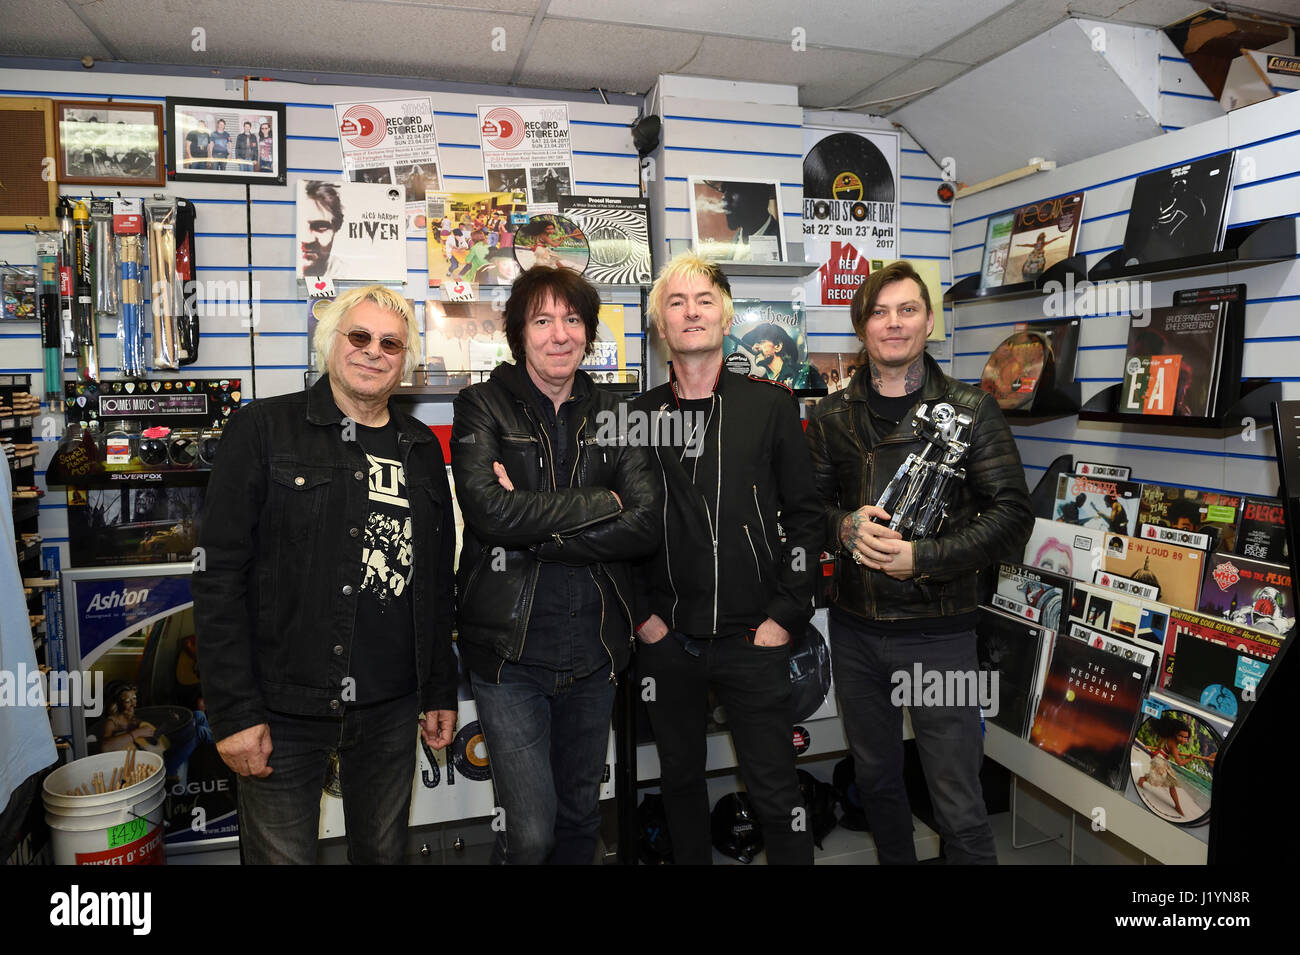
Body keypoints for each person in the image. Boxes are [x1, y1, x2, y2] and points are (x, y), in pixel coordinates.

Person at [192, 285, 459, 865]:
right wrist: (235, 713)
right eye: (359, 336)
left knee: (384, 855)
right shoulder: (262, 430)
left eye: (391, 343)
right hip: (283, 710)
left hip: (392, 708)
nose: (374, 352)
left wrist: (439, 688)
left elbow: (436, 585)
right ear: (329, 343)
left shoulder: (420, 449)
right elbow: (217, 581)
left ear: (406, 359)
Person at [805, 260, 1033, 865]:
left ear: (929, 322)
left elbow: (1013, 518)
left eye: (907, 310)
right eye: (879, 312)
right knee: (877, 784)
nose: (893, 324)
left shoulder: (972, 410)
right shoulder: (830, 417)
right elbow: (807, 511)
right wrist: (843, 526)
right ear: (862, 326)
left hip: (941, 634)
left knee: (957, 797)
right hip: (855, 633)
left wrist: (922, 559)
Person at [451, 266, 659, 864]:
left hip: (596, 652)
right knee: (532, 831)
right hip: (509, 655)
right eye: (542, 320)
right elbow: (489, 515)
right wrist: (604, 504)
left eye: (572, 320)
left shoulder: (621, 412)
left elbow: (645, 524)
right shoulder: (480, 405)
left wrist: (534, 529)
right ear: (520, 333)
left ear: (589, 333)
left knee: (579, 819)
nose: (559, 335)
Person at [631, 251, 822, 865]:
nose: (691, 313)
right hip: (668, 641)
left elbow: (805, 516)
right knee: (680, 783)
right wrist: (642, 616)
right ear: (661, 325)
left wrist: (787, 613)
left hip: (754, 638)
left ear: (726, 316)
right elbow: (618, 527)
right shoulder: (636, 418)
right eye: (677, 303)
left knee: (775, 790)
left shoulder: (769, 406)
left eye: (704, 301)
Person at [300, 180, 345, 279]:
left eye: (320, 227)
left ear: (336, 229)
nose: (307, 239)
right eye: (300, 226)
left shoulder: (347, 273)